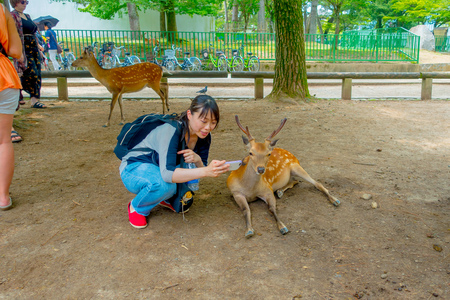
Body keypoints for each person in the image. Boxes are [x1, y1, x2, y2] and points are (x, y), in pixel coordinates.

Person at [120, 95, 230, 229]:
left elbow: (199, 171)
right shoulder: (171, 130)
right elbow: (168, 174)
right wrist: (206, 171)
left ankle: (163, 198)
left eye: (213, 122)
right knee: (164, 185)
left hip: (158, 167)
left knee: (183, 202)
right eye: (203, 121)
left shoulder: (204, 136)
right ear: (189, 114)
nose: (208, 127)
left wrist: (199, 160)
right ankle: (136, 207)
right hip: (135, 167)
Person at [0, 2, 23, 210]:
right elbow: (15, 51)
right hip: (4, 77)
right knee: (3, 140)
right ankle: (3, 197)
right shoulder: (2, 10)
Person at [10, 0, 46, 109]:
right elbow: (13, 33)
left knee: (37, 73)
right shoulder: (12, 16)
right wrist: (18, 51)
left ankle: (34, 100)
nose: (25, 4)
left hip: (33, 47)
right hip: (23, 47)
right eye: (22, 2)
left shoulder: (27, 16)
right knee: (29, 72)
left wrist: (39, 46)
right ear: (15, 2)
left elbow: (33, 32)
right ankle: (17, 93)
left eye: (26, 2)